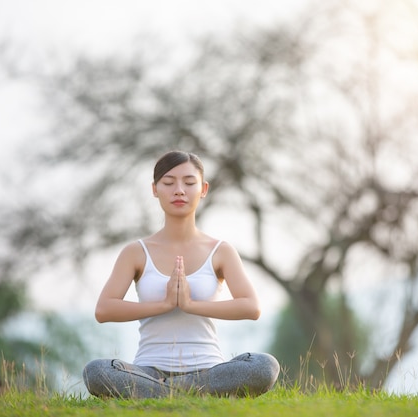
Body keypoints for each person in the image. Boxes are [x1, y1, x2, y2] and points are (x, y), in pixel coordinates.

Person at [82, 150, 280, 398]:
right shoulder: (136, 252)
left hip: (209, 372)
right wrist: (164, 304)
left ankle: (167, 392)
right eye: (168, 182)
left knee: (264, 366)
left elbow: (251, 307)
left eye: (189, 183)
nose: (179, 190)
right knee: (97, 371)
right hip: (148, 372)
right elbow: (104, 310)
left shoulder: (220, 251)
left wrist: (189, 304)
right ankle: (186, 392)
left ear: (203, 189)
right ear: (155, 189)